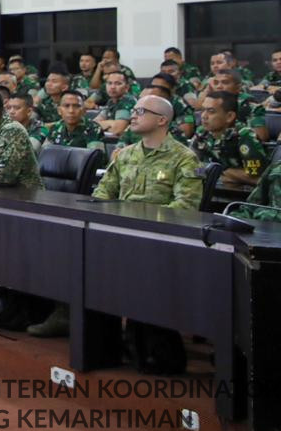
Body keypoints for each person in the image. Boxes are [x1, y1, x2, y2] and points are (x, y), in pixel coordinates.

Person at [83, 96, 201, 370]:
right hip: (119, 235)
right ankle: (111, 347)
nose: (133, 115)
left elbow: (185, 207)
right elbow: (102, 194)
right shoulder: (125, 154)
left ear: (162, 120)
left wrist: (142, 228)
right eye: (133, 110)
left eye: (140, 111)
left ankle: (157, 353)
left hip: (159, 241)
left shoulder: (184, 158)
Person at [189, 92, 268, 188]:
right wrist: (215, 174)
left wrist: (218, 171)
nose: (203, 116)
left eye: (211, 111)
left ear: (229, 116)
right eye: (203, 110)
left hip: (243, 195)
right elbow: (191, 167)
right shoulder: (202, 133)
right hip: (211, 189)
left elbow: (258, 178)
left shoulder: (244, 135)